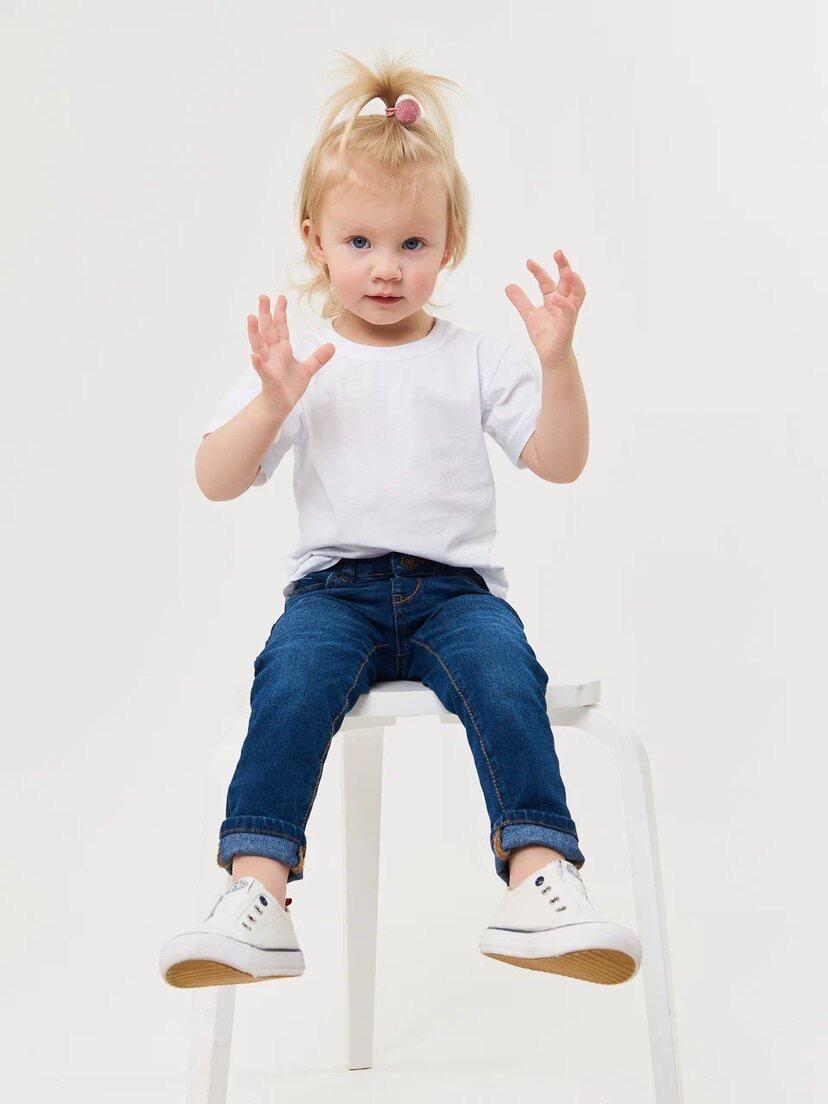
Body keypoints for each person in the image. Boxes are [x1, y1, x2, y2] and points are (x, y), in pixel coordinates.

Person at [159, 49, 641, 991]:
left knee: (506, 674)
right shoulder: (303, 362)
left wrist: (558, 364)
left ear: (449, 243)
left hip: (455, 596)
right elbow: (216, 478)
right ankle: (257, 890)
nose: (386, 268)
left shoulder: (473, 358)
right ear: (315, 240)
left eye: (413, 245)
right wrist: (271, 402)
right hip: (332, 595)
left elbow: (559, 460)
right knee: (291, 683)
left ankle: (540, 877)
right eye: (360, 242)